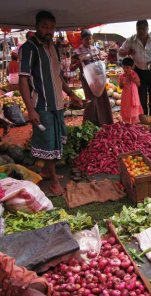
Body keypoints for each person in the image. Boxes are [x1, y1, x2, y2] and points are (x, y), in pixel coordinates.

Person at [19, 11, 82, 196]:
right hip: (41, 105)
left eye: (52, 27)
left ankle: (47, 171)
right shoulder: (28, 48)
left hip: (57, 103)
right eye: (45, 26)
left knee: (55, 139)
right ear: (37, 26)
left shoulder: (52, 47)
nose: (49, 30)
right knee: (48, 143)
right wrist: (30, 109)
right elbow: (23, 81)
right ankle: (54, 182)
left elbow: (58, 75)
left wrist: (71, 93)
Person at [119, 20, 151, 117]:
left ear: (148, 29)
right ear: (136, 29)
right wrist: (128, 51)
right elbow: (120, 52)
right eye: (139, 29)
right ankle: (143, 119)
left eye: (143, 29)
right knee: (141, 97)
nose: (141, 31)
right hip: (138, 73)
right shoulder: (131, 40)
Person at [71, 29, 113, 127]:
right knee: (92, 101)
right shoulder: (77, 51)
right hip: (87, 79)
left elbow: (99, 60)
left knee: (103, 98)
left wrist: (101, 58)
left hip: (98, 77)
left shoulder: (95, 49)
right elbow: (71, 67)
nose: (89, 41)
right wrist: (79, 61)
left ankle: (106, 122)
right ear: (82, 39)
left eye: (90, 39)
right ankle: (90, 124)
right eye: (86, 39)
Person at [118, 57, 143, 124]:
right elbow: (120, 87)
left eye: (127, 68)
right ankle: (126, 122)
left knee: (133, 108)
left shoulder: (134, 74)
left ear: (131, 67)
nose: (125, 69)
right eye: (124, 67)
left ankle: (134, 122)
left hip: (134, 96)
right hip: (126, 96)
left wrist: (133, 79)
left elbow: (139, 84)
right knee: (126, 107)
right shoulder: (121, 76)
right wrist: (122, 83)